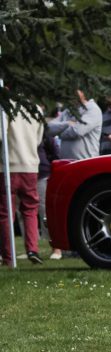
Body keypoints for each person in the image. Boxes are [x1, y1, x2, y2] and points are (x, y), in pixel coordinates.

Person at [0, 105, 45, 266]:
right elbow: (38, 138)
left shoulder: (5, 107)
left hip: (9, 166)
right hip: (30, 165)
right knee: (30, 209)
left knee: (6, 212)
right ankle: (32, 249)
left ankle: (8, 255)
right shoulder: (36, 109)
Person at [47, 89, 102, 159]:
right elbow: (48, 128)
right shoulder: (68, 110)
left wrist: (59, 134)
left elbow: (77, 131)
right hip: (65, 163)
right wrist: (67, 124)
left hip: (85, 163)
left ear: (83, 92)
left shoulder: (93, 109)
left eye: (74, 91)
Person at [37, 131, 62, 260]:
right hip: (29, 173)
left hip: (42, 174)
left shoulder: (44, 135)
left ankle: (56, 249)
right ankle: (31, 249)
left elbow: (55, 154)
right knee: (22, 214)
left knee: (45, 212)